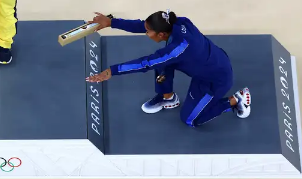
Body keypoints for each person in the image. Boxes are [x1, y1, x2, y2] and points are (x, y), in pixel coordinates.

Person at [85, 10, 252, 127]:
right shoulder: (178, 22)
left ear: (161, 35)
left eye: (148, 32)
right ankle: (168, 97)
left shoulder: (178, 48)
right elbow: (142, 25)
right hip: (212, 60)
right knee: (163, 62)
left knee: (190, 120)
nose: (146, 34)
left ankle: (236, 99)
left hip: (215, 79)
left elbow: (146, 63)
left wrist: (111, 71)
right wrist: (111, 22)